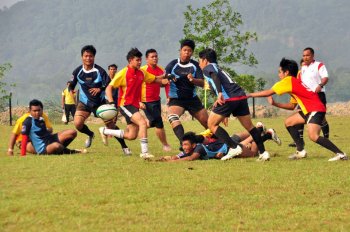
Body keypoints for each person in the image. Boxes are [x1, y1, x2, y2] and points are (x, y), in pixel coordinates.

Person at [247, 58, 347, 161]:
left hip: (314, 109)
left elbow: (268, 92)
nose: (279, 75)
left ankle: (341, 154)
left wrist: (249, 95)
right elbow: (292, 106)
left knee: (313, 136)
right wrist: (275, 103)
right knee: (289, 122)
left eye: (280, 72)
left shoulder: (288, 80)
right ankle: (301, 151)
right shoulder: (294, 83)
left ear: (286, 73)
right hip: (311, 109)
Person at [198, 48, 270, 161]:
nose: (199, 64)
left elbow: (215, 77)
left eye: (199, 61)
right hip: (240, 96)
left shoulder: (208, 67)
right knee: (250, 127)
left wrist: (220, 94)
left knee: (211, 124)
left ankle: (234, 147)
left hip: (229, 98)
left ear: (205, 60)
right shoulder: (219, 68)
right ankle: (263, 152)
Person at [100, 48, 168, 159]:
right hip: (125, 104)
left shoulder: (141, 72)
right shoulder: (123, 73)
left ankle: (105, 131)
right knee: (142, 123)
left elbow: (154, 79)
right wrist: (112, 103)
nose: (140, 62)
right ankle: (144, 152)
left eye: (140, 60)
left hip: (135, 106)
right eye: (137, 60)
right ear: (130, 60)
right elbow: (108, 88)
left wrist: (165, 78)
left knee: (131, 135)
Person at [157, 124, 281, 162]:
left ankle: (265, 134)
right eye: (183, 145)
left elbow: (190, 158)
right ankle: (262, 132)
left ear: (193, 145)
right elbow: (180, 155)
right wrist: (166, 158)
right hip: (226, 147)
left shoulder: (198, 149)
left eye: (185, 145)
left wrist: (173, 162)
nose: (184, 148)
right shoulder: (190, 149)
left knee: (254, 153)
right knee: (245, 141)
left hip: (230, 148)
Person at [165, 39, 209, 145]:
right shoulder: (173, 64)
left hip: (192, 99)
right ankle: (184, 144)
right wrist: (169, 77)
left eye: (189, 51)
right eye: (184, 50)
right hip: (177, 99)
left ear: (192, 52)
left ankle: (221, 142)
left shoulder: (195, 65)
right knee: (172, 117)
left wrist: (193, 80)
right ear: (180, 50)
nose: (186, 53)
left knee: (210, 125)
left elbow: (202, 83)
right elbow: (164, 77)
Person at [68, 45, 110, 148]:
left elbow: (108, 84)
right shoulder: (77, 71)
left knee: (111, 126)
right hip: (84, 102)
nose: (88, 58)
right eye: (86, 56)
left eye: (90, 56)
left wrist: (100, 89)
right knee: (77, 124)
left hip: (99, 102)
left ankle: (124, 147)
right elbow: (71, 84)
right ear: (82, 57)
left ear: (94, 57)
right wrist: (70, 90)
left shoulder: (100, 70)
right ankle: (90, 134)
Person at [140, 48, 171, 152]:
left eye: (156, 56)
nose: (155, 58)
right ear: (146, 59)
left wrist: (168, 96)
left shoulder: (161, 69)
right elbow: (138, 85)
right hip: (146, 100)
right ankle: (165, 145)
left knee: (153, 122)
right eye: (152, 57)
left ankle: (139, 125)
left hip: (156, 99)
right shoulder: (143, 70)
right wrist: (139, 101)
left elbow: (166, 83)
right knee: (159, 122)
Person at [98, 64, 132, 155]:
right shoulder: (105, 79)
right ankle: (124, 147)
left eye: (114, 69)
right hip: (106, 105)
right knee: (111, 125)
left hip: (116, 104)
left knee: (112, 125)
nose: (112, 70)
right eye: (111, 69)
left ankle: (106, 131)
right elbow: (101, 89)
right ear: (109, 70)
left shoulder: (118, 78)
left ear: (116, 70)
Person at [299, 47, 330, 138]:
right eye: (304, 56)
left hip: (318, 96)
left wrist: (320, 85)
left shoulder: (319, 65)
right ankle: (299, 140)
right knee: (301, 114)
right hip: (306, 97)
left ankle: (326, 138)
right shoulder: (303, 68)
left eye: (307, 55)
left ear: (312, 55)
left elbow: (325, 77)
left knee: (322, 119)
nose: (305, 57)